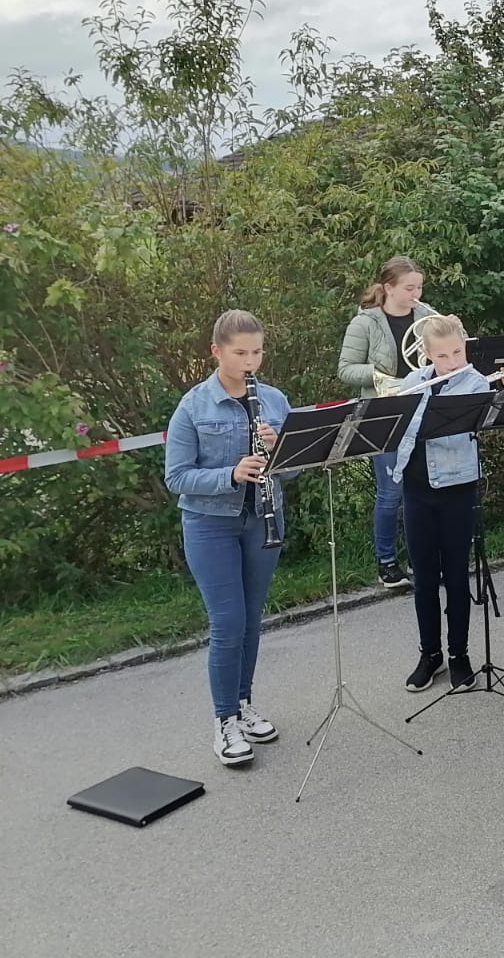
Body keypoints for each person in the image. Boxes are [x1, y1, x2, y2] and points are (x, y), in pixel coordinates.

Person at [164, 310, 291, 768]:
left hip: (261, 519)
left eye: (256, 352)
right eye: (240, 353)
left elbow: (295, 467)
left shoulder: (274, 399)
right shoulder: (194, 405)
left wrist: (279, 451)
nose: (250, 361)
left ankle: (243, 704)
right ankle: (224, 722)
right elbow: (177, 477)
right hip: (209, 524)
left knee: (252, 619)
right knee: (227, 622)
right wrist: (231, 474)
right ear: (217, 352)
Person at [389, 315, 492, 692]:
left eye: (457, 352)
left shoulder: (475, 383)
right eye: (444, 356)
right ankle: (429, 654)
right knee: (424, 579)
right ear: (428, 356)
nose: (452, 361)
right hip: (415, 489)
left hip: (457, 488)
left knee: (456, 575)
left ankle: (459, 654)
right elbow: (400, 433)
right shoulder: (413, 383)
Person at [336, 256, 437, 590]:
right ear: (388, 288)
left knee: (421, 490)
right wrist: (379, 376)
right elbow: (346, 368)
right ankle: (387, 562)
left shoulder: (425, 315)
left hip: (423, 408)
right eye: (409, 288)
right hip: (385, 412)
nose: (416, 294)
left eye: (419, 287)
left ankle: (420, 558)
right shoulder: (365, 323)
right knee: (391, 492)